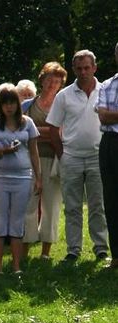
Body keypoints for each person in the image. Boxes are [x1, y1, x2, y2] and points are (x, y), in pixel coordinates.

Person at [46, 49, 108, 264]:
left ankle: (101, 247)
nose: (83, 72)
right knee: (72, 206)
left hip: (98, 156)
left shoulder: (105, 91)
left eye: (87, 68)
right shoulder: (64, 95)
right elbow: (53, 127)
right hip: (71, 157)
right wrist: (62, 154)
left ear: (94, 68)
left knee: (97, 205)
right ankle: (73, 249)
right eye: (79, 68)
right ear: (73, 69)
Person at [0, 84, 41, 274]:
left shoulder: (28, 123)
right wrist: (0, 149)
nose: (9, 107)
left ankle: (16, 266)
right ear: (0, 105)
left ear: (18, 104)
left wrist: (38, 178)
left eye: (12, 103)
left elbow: (34, 152)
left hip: (23, 177)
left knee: (17, 221)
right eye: (5, 103)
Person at [21, 62, 67, 260]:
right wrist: (51, 132)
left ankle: (45, 252)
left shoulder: (63, 104)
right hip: (28, 161)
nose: (52, 84)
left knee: (51, 206)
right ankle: (25, 248)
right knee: (28, 205)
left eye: (57, 81)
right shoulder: (27, 105)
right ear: (42, 80)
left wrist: (36, 132)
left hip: (54, 161)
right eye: (49, 79)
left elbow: (63, 133)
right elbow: (21, 130)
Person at [96, 42, 118, 270]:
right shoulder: (107, 84)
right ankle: (117, 256)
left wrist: (113, 114)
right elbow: (103, 117)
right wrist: (109, 115)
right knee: (111, 201)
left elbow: (108, 114)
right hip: (110, 144)